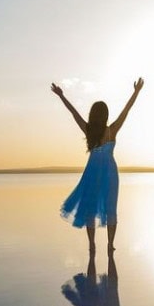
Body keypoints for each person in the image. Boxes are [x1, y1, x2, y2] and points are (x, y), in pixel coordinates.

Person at [51, 78, 144, 256]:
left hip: (92, 173)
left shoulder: (89, 130)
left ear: (93, 115)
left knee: (90, 209)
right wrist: (136, 92)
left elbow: (73, 113)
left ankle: (92, 244)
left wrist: (61, 96)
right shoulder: (112, 130)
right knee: (111, 209)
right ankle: (110, 245)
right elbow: (127, 110)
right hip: (109, 173)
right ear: (105, 115)